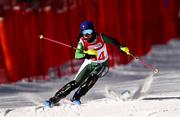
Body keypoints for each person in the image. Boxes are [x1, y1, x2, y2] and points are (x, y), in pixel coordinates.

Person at [44, 20, 130, 107]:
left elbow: (112, 40)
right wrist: (87, 54)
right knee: (75, 83)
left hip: (102, 65)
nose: (87, 35)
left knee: (92, 78)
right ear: (81, 33)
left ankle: (76, 97)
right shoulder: (82, 41)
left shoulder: (100, 37)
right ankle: (55, 98)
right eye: (85, 33)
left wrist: (120, 47)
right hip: (89, 63)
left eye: (89, 32)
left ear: (94, 31)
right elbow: (77, 55)